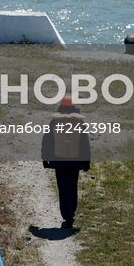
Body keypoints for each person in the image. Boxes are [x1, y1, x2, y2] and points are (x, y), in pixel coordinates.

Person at [41, 96, 92, 229]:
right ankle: (71, 214)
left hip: (60, 161)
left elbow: (47, 140)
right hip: (75, 162)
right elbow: (84, 143)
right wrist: (86, 161)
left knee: (63, 189)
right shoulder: (79, 122)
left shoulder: (54, 122)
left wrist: (45, 158)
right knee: (72, 187)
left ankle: (67, 216)